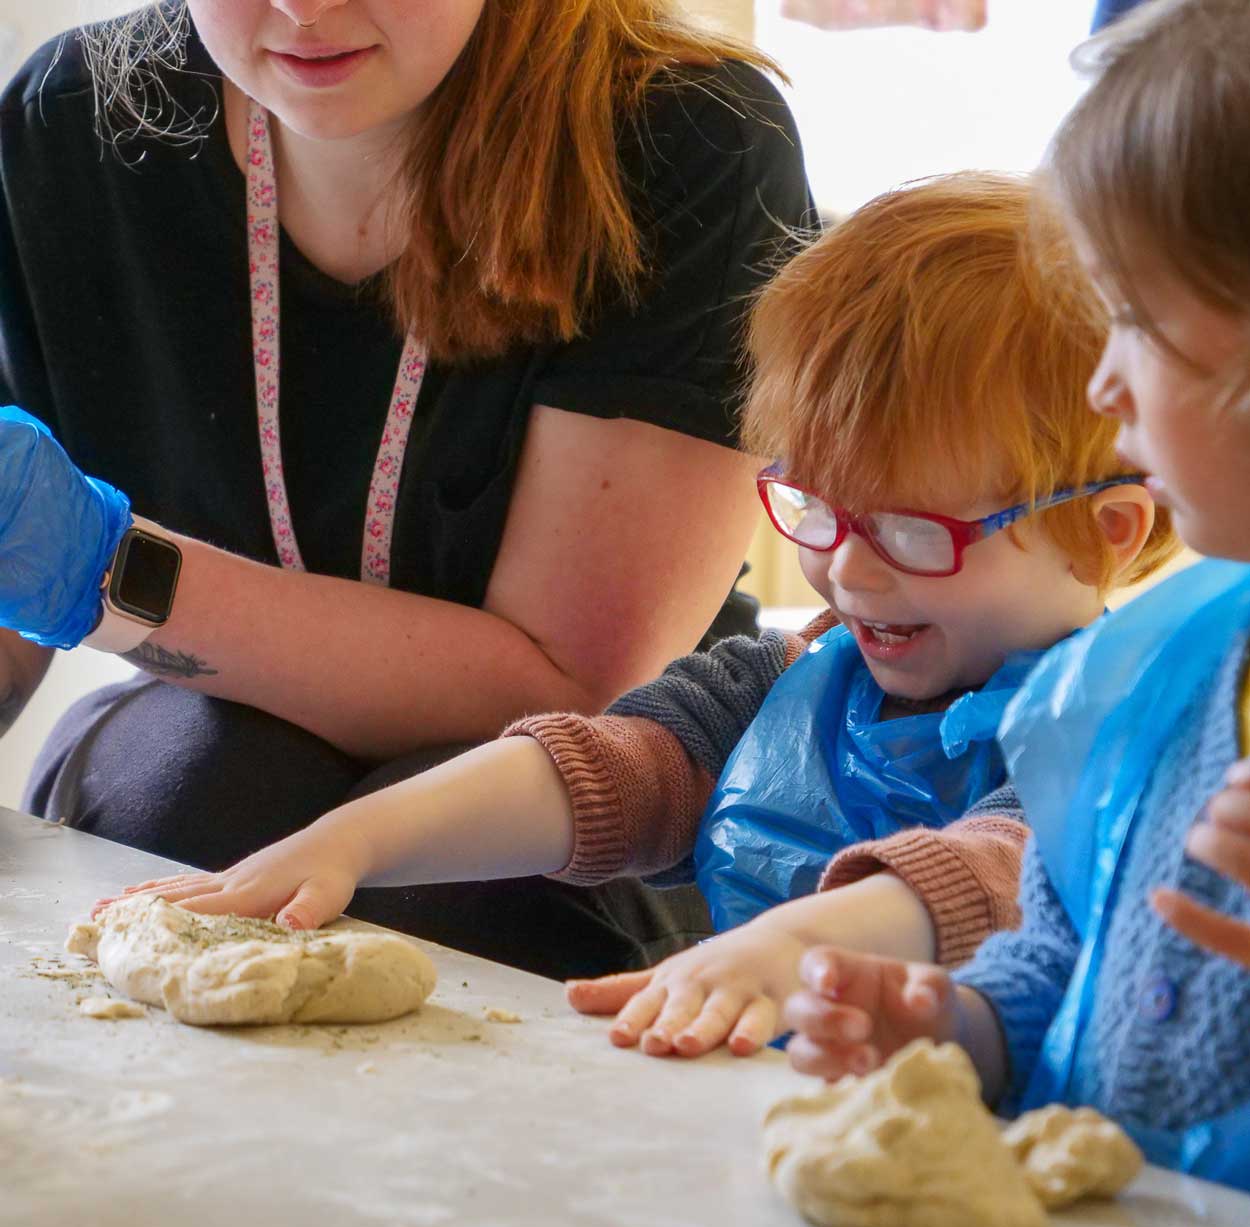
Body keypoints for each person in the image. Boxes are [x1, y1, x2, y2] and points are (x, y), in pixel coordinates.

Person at [104, 172, 1176, 1058]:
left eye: (911, 532)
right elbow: (606, 767)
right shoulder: (795, 677)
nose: (845, 567)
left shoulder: (1125, 732)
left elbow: (996, 870)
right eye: (812, 505)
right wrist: (346, 844)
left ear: (1109, 529)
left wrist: (786, 950)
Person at [0, 1, 813, 979]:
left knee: (464, 884)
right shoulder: (70, 116)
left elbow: (576, 688)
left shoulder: (688, 134)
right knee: (185, 795)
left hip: (592, 761)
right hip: (220, 738)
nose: (306, 10)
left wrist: (111, 573)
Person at [781, 0, 1250, 1189]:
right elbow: (1059, 956)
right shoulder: (1152, 676)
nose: (1103, 380)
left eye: (1133, 322)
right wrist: (949, 1025)